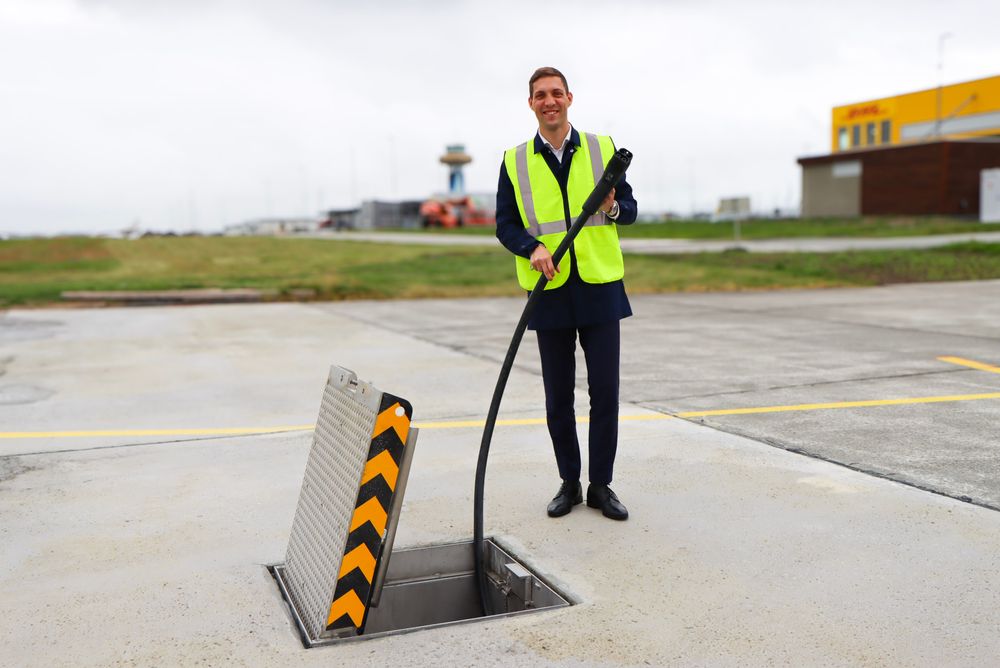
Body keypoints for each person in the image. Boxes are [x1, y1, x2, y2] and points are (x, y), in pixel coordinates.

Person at [495, 66, 637, 521]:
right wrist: (530, 247)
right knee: (558, 398)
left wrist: (612, 205)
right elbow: (505, 224)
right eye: (541, 95)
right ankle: (569, 483)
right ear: (531, 103)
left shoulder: (602, 148)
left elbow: (629, 210)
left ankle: (601, 486)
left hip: (598, 286)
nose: (549, 101)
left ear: (570, 98)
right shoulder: (515, 161)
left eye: (556, 93)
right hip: (549, 289)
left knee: (605, 394)